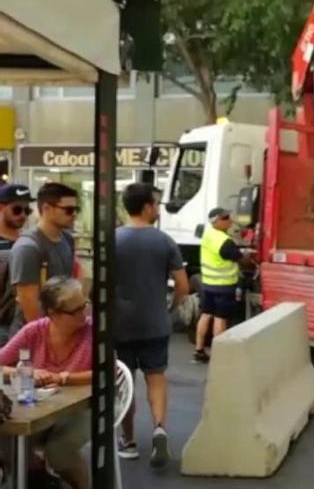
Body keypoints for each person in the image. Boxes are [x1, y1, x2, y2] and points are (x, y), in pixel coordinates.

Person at [114, 183, 188, 468]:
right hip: (155, 323)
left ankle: (129, 441)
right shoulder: (164, 241)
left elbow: (96, 285)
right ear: (146, 207)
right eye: (156, 204)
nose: (158, 209)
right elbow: (181, 285)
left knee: (126, 383)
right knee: (156, 377)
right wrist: (168, 308)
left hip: (120, 326)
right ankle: (159, 427)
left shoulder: (112, 239)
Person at [0, 277, 92, 489]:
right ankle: (37, 477)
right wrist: (26, 371)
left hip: (85, 407)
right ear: (53, 314)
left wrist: (63, 377)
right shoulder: (35, 331)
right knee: (7, 435)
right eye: (76, 310)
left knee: (59, 450)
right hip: (44, 408)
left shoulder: (92, 332)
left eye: (84, 305)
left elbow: (108, 371)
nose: (84, 314)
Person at [9, 182, 78, 330]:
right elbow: (30, 307)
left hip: (61, 328)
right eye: (69, 210)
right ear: (46, 209)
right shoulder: (28, 248)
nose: (74, 214)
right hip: (34, 336)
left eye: (76, 209)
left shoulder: (67, 239)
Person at [193, 207, 252, 363]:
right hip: (223, 286)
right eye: (226, 218)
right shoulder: (224, 242)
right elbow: (241, 260)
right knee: (220, 318)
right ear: (216, 221)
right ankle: (219, 355)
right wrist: (247, 255)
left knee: (205, 315)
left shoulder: (208, 233)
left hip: (208, 284)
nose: (230, 220)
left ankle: (199, 350)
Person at [0, 184, 34, 343]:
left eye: (27, 211)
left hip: (23, 325)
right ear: (2, 207)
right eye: (17, 209)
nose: (22, 215)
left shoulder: (30, 243)